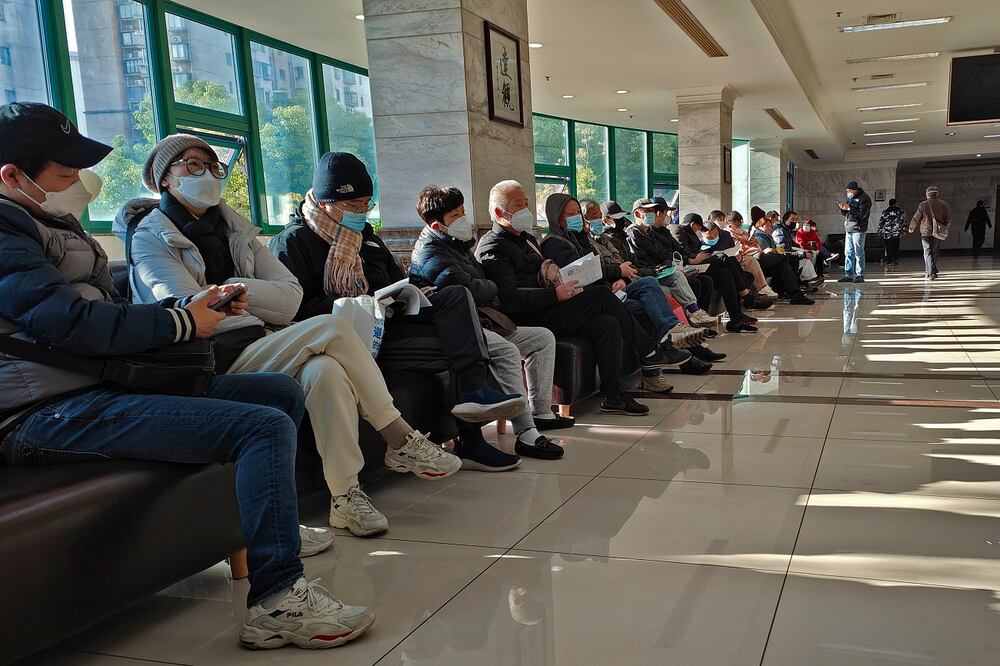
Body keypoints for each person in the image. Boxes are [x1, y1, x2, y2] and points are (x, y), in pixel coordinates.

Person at [0, 102, 372, 650]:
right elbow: (68, 322)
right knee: (262, 425)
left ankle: (267, 529)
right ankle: (277, 599)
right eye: (65, 173)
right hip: (45, 413)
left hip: (97, 387)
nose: (79, 183)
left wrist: (187, 312)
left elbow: (107, 312)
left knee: (279, 393)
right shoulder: (7, 232)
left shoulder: (51, 222)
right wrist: (182, 320)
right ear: (12, 175)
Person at [120, 138, 468, 538]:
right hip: (204, 355)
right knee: (333, 325)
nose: (208, 174)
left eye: (214, 166)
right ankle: (398, 436)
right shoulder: (150, 236)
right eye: (192, 165)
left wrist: (234, 289)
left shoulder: (237, 230)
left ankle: (345, 497)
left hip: (258, 340)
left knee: (326, 371)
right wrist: (240, 296)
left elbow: (288, 299)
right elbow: (189, 310)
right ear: (164, 178)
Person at [270, 153, 527, 477]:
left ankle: (475, 394)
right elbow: (292, 309)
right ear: (324, 202)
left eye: (366, 204)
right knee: (459, 343)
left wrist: (416, 291)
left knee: (455, 297)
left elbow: (396, 282)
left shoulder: (368, 240)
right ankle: (471, 440)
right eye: (352, 205)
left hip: (389, 325)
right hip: (348, 340)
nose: (361, 213)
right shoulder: (293, 242)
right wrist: (360, 303)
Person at [476, 180, 684, 416]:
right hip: (528, 317)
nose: (526, 210)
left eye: (526, 204)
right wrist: (555, 294)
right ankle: (650, 352)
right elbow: (510, 300)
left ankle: (613, 396)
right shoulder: (493, 246)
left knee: (607, 323)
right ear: (498, 212)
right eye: (518, 205)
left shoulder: (526, 239)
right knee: (601, 295)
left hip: (549, 305)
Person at [409, 185, 567, 460]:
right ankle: (526, 433)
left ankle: (541, 412)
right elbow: (475, 288)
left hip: (483, 319)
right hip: (457, 329)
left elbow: (481, 284)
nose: (463, 219)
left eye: (463, 212)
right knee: (506, 350)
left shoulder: (456, 244)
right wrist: (489, 286)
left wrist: (486, 286)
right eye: (455, 215)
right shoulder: (431, 252)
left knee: (542, 337)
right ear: (436, 224)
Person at [541, 194, 703, 352]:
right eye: (571, 214)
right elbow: (584, 271)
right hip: (592, 295)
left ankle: (673, 331)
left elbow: (622, 262)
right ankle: (657, 353)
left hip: (612, 285)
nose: (578, 217)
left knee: (650, 284)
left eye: (578, 212)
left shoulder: (581, 238)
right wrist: (619, 271)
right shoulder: (555, 243)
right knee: (644, 304)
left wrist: (621, 279)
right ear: (556, 217)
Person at [622, 198, 720, 331]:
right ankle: (685, 321)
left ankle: (695, 311)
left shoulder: (649, 232)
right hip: (645, 274)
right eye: (648, 211)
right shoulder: (633, 234)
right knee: (684, 281)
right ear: (637, 214)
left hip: (658, 270)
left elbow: (662, 254)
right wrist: (656, 268)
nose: (652, 213)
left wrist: (666, 265)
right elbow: (640, 261)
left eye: (652, 210)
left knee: (678, 275)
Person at [676, 212, 759, 332]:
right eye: (699, 228)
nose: (699, 231)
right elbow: (682, 252)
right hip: (692, 265)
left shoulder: (693, 234)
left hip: (701, 262)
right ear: (693, 225)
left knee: (725, 273)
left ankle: (735, 319)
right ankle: (747, 296)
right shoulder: (679, 231)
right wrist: (694, 259)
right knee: (723, 258)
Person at [749, 207, 815, 304]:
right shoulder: (759, 237)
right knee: (786, 258)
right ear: (760, 226)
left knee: (784, 264)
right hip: (758, 264)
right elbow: (761, 255)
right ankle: (796, 291)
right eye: (767, 226)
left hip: (767, 261)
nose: (771, 228)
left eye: (771, 226)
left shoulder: (767, 236)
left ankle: (794, 294)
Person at [710, 209, 776, 299]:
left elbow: (754, 243)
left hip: (741, 256)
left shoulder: (737, 233)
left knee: (780, 264)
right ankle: (759, 289)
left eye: (740, 224)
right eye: (719, 220)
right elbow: (737, 248)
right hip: (739, 257)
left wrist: (749, 242)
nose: (739, 227)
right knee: (752, 260)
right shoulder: (727, 233)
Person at [909, 185, 951, 280]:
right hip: (938, 231)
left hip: (926, 231)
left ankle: (930, 272)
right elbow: (948, 219)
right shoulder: (943, 204)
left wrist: (912, 227)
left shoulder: (923, 204)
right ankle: (932, 271)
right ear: (937, 194)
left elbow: (916, 217)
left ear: (927, 194)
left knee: (927, 251)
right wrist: (945, 227)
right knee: (935, 251)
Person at [837, 180, 871, 283]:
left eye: (850, 190)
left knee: (858, 253)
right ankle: (848, 275)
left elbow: (862, 215)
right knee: (848, 253)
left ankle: (859, 275)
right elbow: (847, 213)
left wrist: (849, 208)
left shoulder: (865, 198)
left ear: (855, 190)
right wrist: (843, 209)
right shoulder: (850, 198)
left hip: (858, 229)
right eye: (847, 191)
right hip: (849, 228)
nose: (849, 192)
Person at [776, 210, 819, 283]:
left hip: (789, 254)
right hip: (784, 257)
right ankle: (808, 280)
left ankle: (808, 280)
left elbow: (792, 244)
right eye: (792, 219)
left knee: (809, 256)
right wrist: (802, 254)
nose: (794, 222)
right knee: (804, 259)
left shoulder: (786, 230)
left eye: (796, 220)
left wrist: (803, 249)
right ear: (786, 220)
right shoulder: (780, 232)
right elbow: (784, 250)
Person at [876, 198, 907, 268]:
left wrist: (879, 231)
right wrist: (903, 230)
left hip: (887, 233)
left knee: (889, 247)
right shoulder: (900, 211)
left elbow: (881, 223)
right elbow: (904, 221)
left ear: (889, 204)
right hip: (897, 232)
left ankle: (889, 261)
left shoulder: (885, 212)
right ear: (896, 203)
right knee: (896, 246)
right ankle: (895, 259)